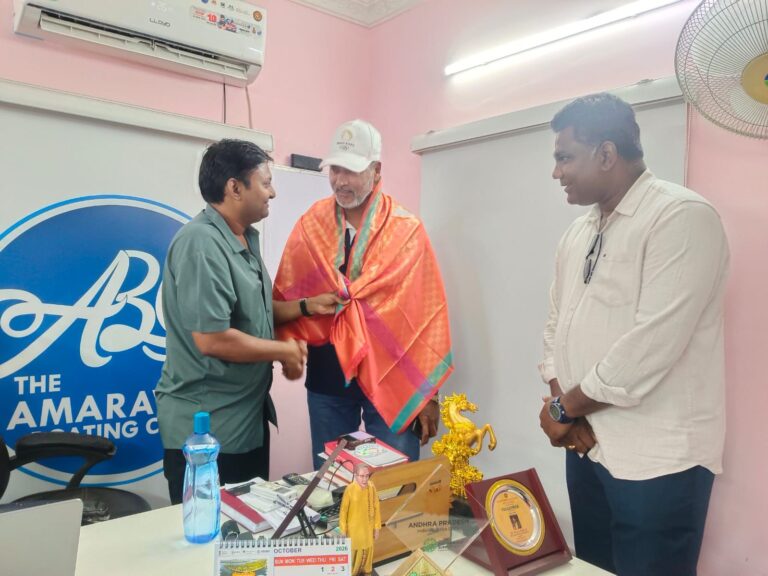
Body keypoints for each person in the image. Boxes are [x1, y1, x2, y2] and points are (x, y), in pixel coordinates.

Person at [537, 93, 729, 576]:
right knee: (594, 569)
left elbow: (650, 347)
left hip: (657, 461)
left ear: (606, 153)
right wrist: (563, 408)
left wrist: (562, 409)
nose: (556, 172)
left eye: (565, 157)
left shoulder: (681, 217)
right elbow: (556, 325)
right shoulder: (578, 232)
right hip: (586, 444)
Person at [155, 139, 339, 504]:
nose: (273, 192)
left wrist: (306, 307)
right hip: (209, 431)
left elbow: (255, 314)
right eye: (266, 182)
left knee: (250, 528)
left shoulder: (243, 238)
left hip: (245, 419)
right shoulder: (201, 244)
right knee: (212, 531)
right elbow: (213, 339)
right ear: (234, 188)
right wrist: (284, 351)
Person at [273, 119, 453, 469]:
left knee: (395, 480)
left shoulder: (406, 230)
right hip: (328, 373)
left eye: (352, 171)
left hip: (394, 374)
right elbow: (287, 292)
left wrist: (429, 394)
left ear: (376, 170)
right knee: (330, 480)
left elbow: (425, 316)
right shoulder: (312, 224)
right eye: (335, 169)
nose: (341, 181)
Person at [339, 463, 381, 576]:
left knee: (368, 550)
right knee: (354, 553)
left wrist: (377, 528)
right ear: (355, 475)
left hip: (368, 528)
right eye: (362, 476)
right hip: (354, 530)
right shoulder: (350, 489)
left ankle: (366, 571)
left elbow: (376, 507)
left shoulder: (371, 487)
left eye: (367, 476)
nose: (365, 479)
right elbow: (343, 512)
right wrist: (343, 530)